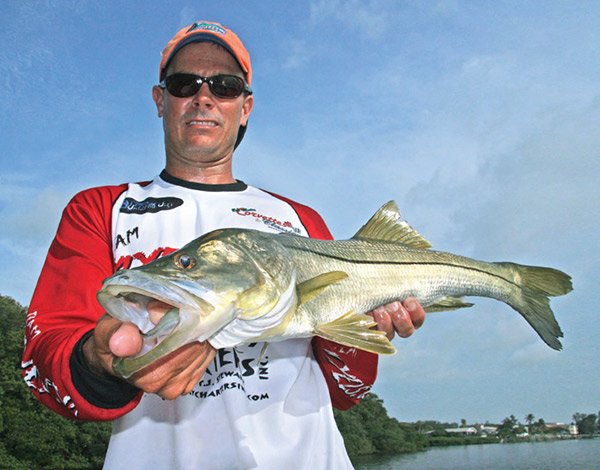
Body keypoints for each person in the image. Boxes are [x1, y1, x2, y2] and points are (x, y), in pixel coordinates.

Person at [22, 21, 425, 469]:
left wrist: (365, 334)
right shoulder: (98, 208)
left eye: (225, 86)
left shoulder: (301, 220)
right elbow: (44, 368)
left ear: (245, 106)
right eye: (183, 83)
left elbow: (345, 391)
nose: (204, 97)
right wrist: (98, 363)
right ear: (161, 100)